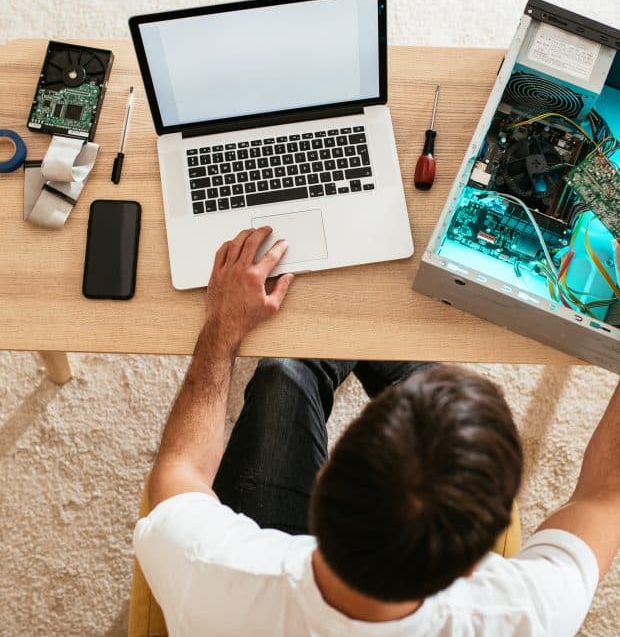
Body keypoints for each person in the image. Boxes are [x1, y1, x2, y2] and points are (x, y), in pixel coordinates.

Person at [134, 226, 620, 636]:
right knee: (409, 377)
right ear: (477, 563)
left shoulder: (210, 571)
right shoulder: (522, 614)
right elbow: (603, 496)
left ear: (321, 479)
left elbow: (181, 468)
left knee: (287, 368)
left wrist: (223, 326)